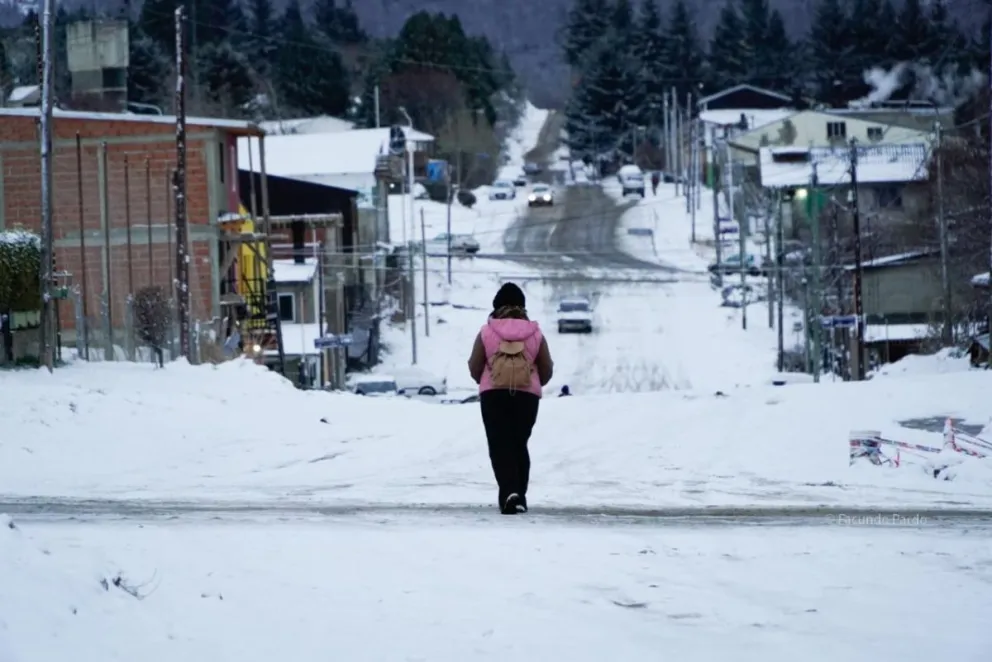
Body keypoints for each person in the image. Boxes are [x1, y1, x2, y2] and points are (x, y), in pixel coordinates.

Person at [468, 282, 554, 514]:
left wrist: (484, 380)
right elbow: (546, 369)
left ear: (496, 306)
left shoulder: (487, 331)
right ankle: (519, 496)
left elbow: (475, 365)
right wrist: (535, 382)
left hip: (493, 395)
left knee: (499, 444)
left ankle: (509, 492)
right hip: (526, 397)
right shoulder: (535, 333)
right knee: (518, 444)